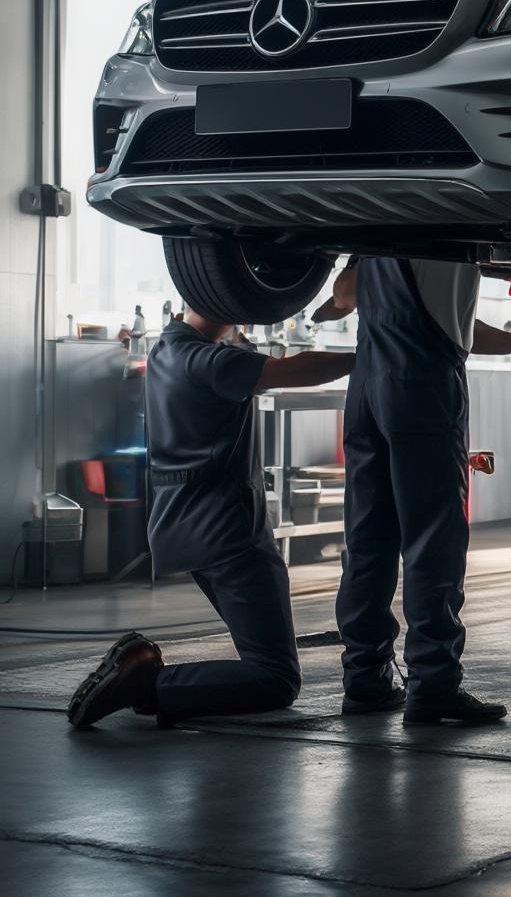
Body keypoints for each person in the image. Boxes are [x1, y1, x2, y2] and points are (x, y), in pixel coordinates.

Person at [67, 312, 355, 729]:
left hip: (185, 524)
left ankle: (143, 676)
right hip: (229, 532)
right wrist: (363, 356)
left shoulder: (168, 348)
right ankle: (146, 683)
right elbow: (298, 369)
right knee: (275, 677)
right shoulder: (210, 362)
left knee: (265, 661)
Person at [314, 258, 511, 725]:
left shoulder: (373, 237)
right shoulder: (452, 235)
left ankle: (365, 682)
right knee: (435, 541)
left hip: (366, 391)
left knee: (368, 543)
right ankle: (433, 686)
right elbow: (458, 327)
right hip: (421, 382)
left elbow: (345, 294)